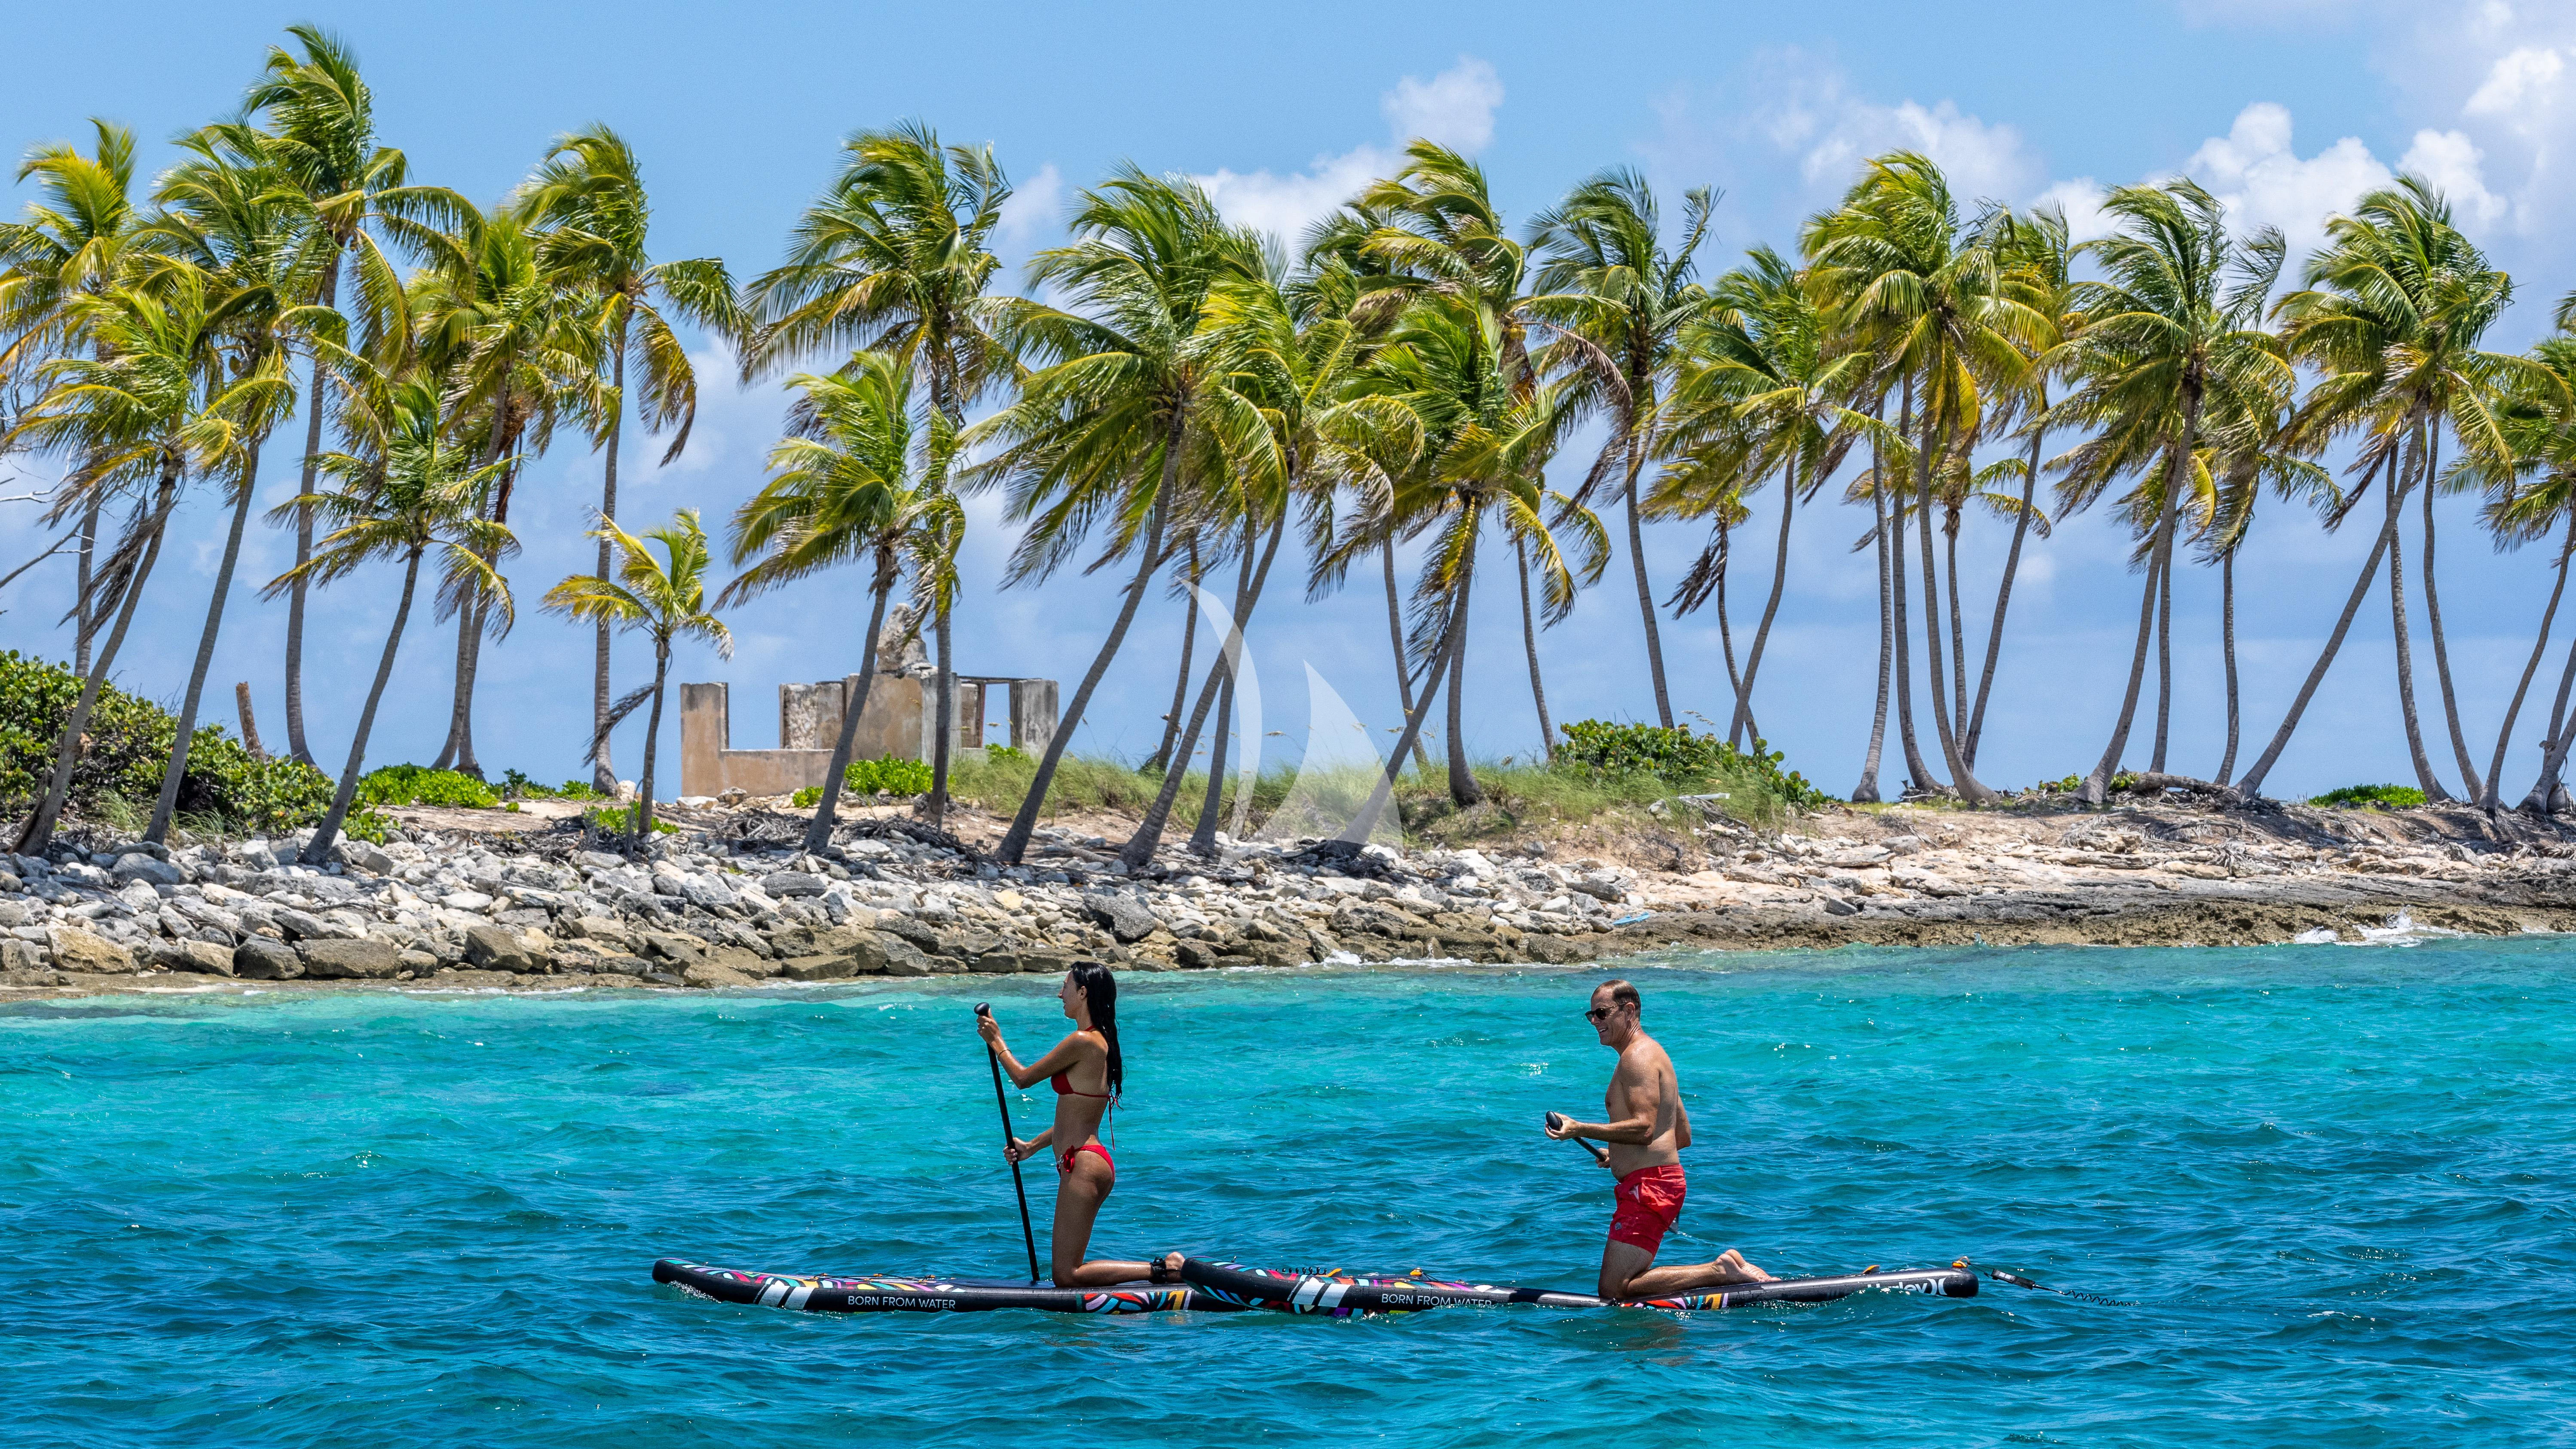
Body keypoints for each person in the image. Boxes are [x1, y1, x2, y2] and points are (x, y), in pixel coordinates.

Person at [1545, 978, 1772, 1301]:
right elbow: (1681, 1135)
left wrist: (1578, 1128)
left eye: (1602, 1013)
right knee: (1622, 1285)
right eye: (1591, 1015)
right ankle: (1725, 1269)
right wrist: (1617, 1151)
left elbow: (1644, 1129)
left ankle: (1720, 1271)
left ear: (1629, 1010)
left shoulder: (1636, 1058)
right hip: (1659, 1182)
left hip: (1649, 1186)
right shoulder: (1654, 1055)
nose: (1595, 1022)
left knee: (1614, 1290)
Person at [975, 963, 1178, 1288]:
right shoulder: (1100, 1043)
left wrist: (997, 1042)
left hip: (1083, 1163)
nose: (1060, 993)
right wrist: (1031, 1146)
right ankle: (1162, 1270)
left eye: (1066, 985)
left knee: (1066, 1275)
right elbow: (1078, 1119)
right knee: (1068, 1272)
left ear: (1083, 992)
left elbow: (1024, 1078)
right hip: (1086, 1159)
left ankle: (1164, 1269)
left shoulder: (1084, 1041)